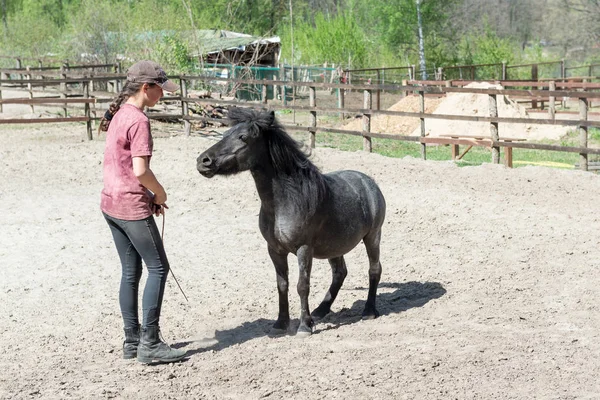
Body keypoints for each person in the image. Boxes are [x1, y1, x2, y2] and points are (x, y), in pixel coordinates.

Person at [99, 60, 186, 364]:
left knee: (130, 272)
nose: (164, 94)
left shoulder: (120, 114)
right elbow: (140, 170)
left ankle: (131, 340)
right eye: (160, 88)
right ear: (146, 88)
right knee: (159, 268)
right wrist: (158, 194)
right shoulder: (138, 120)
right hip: (130, 207)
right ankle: (150, 342)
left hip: (110, 203)